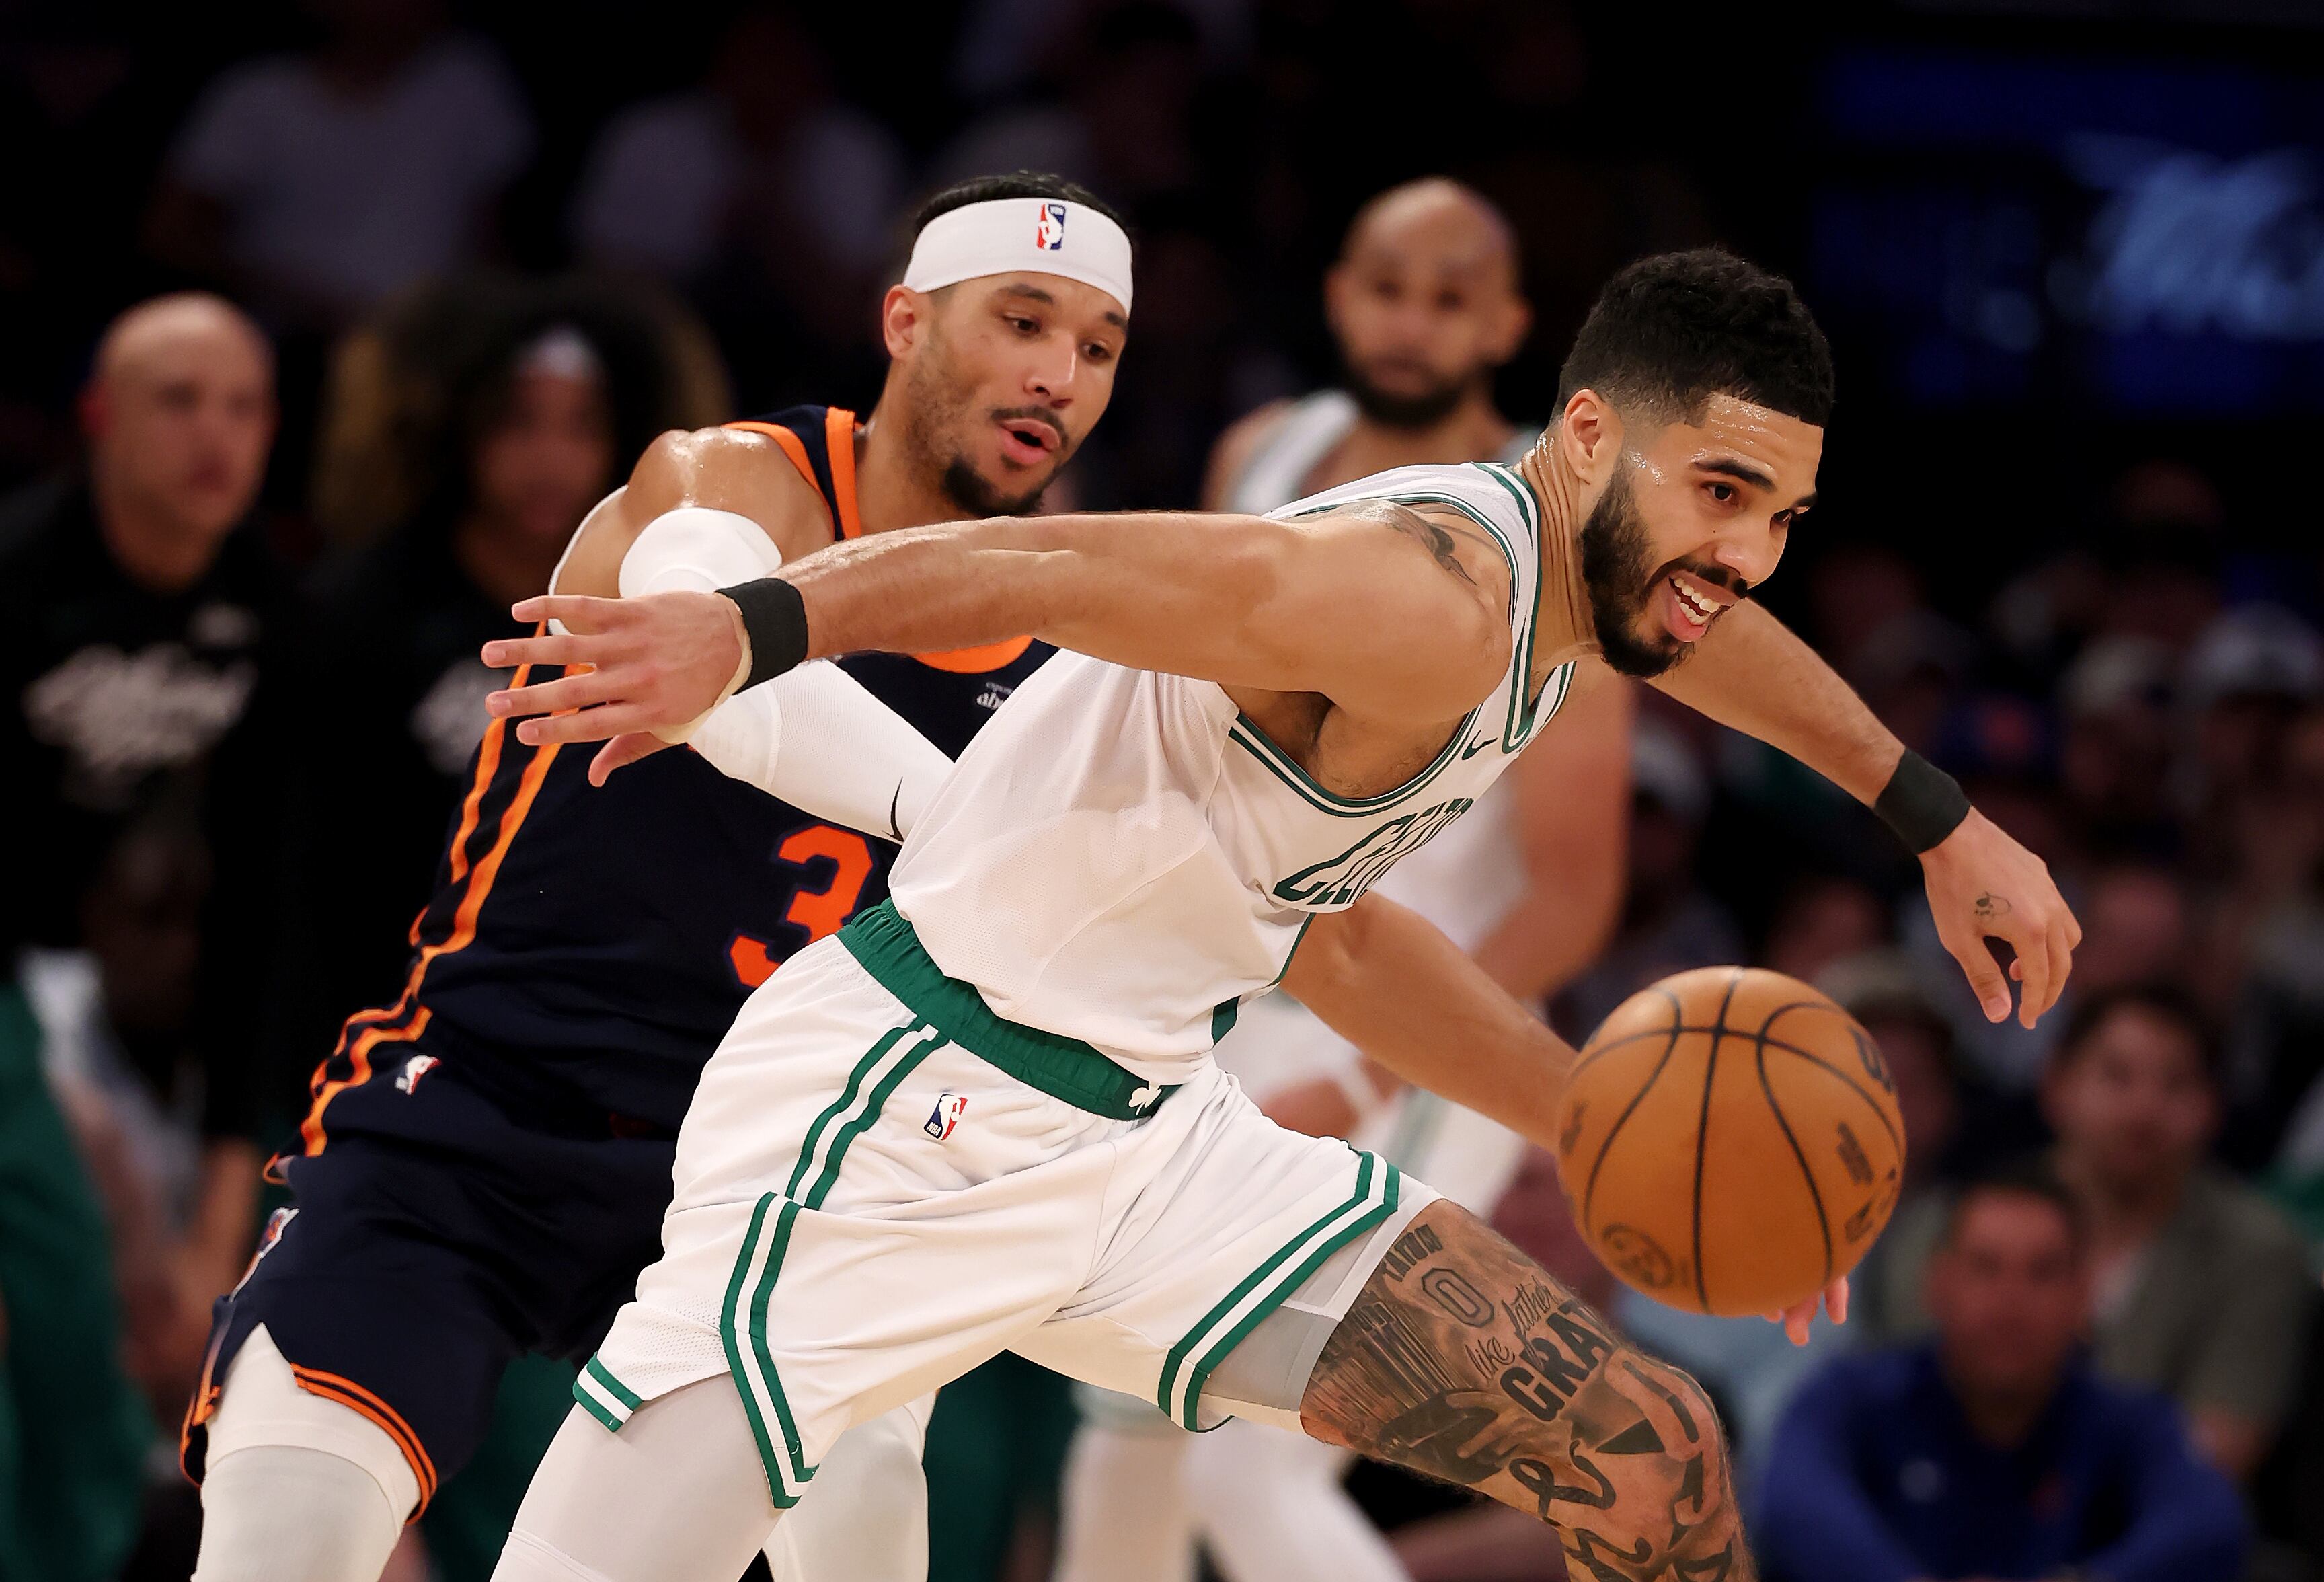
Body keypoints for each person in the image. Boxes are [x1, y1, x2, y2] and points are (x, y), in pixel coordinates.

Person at [483, 247, 2082, 1581]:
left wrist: (1922, 826)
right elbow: (1038, 567)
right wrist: (747, 628)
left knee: (1643, 1450)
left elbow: (1342, 932)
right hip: (903, 1118)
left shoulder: (1591, 587)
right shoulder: (1418, 600)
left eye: (1778, 518)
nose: (1740, 555)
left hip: (1151, 1140)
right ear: (1586, 437)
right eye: (1720, 493)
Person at [180, 171, 1130, 1582]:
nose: (1057, 372)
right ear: (907, 322)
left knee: (870, 1484)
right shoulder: (722, 479)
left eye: (1100, 346)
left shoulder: (1075, 660)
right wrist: (961, 811)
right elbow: (707, 666)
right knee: (281, 1549)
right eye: (1022, 318)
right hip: (484, 1111)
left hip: (779, 1175)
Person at [1055, 176, 1631, 1582]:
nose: (1412, 323)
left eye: (1450, 297)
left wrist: (1373, 1077)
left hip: (1428, 1031)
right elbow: (1183, 727)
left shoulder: (1566, 541)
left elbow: (1570, 895)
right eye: (1387, 286)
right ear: (1336, 294)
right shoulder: (1264, 455)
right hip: (1228, 989)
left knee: (1252, 1453)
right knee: (1126, 1410)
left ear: (1506, 321)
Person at [0, 291, 283, 1353]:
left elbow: (272, 894)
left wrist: (221, 1209)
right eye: (179, 402)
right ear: (100, 418)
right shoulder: (18, 580)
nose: (216, 435)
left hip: (166, 1011)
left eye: (244, 407)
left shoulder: (275, 613)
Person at [1754, 1163, 2248, 1582]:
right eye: (1986, 1268)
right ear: (1938, 1284)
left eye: (2043, 1272)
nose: (2012, 1304)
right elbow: (1789, 1503)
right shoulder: (1854, 1395)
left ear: (2082, 1294)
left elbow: (2210, 1524)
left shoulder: (2132, 1421)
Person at [2042, 985, 2313, 1480]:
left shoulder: (2259, 1253)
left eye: (2176, 1083)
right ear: (2056, 1086)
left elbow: (2218, 1452)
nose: (2143, 1110)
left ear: (2214, 1107)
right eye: (2116, 1076)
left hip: (2155, 1537)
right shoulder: (1962, 1221)